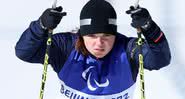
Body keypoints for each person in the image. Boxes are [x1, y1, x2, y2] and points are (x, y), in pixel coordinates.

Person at [15, 0, 171, 98]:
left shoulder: (127, 49)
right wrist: (41, 26)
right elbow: (24, 52)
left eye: (106, 36)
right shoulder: (66, 47)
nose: (99, 43)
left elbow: (160, 59)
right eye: (92, 36)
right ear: (81, 35)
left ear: (115, 35)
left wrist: (149, 28)